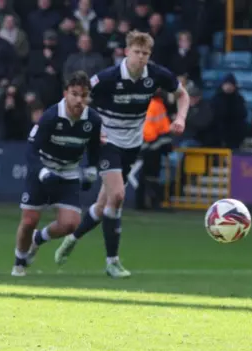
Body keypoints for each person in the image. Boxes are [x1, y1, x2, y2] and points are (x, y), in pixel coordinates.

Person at [55, 31, 190, 278]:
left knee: (103, 204)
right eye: (137, 52)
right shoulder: (108, 77)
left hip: (132, 144)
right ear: (127, 52)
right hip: (107, 142)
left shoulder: (157, 75)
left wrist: (180, 117)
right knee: (118, 195)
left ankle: (72, 238)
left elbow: (182, 94)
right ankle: (112, 262)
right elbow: (79, 99)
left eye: (145, 54)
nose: (141, 58)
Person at [12, 71, 102, 277]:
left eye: (84, 95)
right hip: (43, 168)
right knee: (28, 221)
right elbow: (31, 151)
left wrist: (91, 170)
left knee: (71, 224)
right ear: (65, 93)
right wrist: (43, 172)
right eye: (75, 94)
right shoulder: (51, 116)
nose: (79, 100)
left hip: (69, 172)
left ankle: (38, 239)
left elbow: (95, 149)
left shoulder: (93, 120)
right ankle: (19, 261)